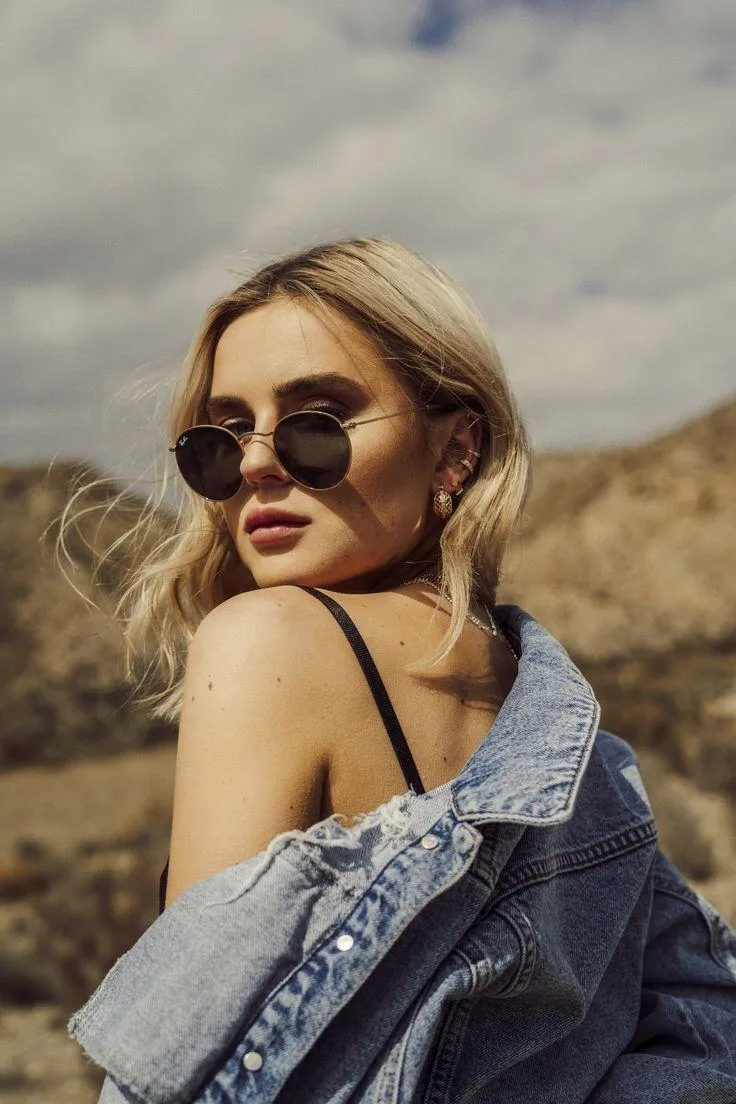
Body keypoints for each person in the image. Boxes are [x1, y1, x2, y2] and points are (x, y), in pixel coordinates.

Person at [67, 238, 736, 1103]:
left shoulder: (266, 641)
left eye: (318, 420)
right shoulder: (593, 763)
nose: (257, 464)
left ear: (455, 449)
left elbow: (196, 1077)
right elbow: (699, 1026)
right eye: (223, 438)